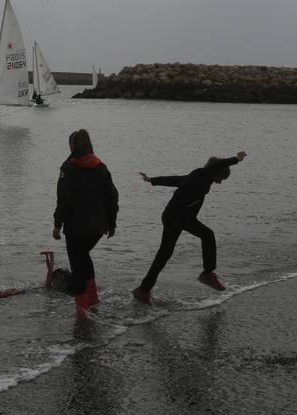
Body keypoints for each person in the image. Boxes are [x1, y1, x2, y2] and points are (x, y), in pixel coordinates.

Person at [131, 150, 247, 304]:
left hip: (179, 217)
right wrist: (236, 159)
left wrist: (152, 180)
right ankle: (207, 274)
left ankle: (143, 290)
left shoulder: (197, 176)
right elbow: (217, 164)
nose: (220, 182)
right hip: (177, 217)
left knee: (165, 254)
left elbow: (177, 180)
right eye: (221, 178)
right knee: (207, 235)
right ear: (215, 171)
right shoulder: (203, 175)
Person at [52, 129, 119, 315]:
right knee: (84, 257)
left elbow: (63, 200)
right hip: (98, 227)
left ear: (73, 145)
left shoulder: (69, 168)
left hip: (77, 227)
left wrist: (57, 225)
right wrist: (112, 223)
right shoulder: (101, 166)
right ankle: (93, 300)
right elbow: (112, 197)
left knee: (77, 263)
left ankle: (82, 311)